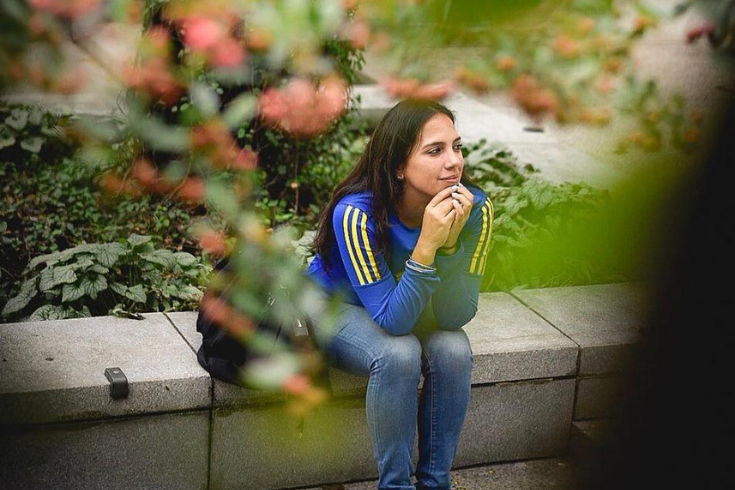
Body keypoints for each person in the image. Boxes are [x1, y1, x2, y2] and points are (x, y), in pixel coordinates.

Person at [306, 98, 494, 490]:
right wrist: (427, 246)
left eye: (457, 147)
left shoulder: (475, 211)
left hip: (406, 304)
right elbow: (393, 322)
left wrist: (449, 247)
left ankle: (436, 483)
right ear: (398, 166)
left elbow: (455, 314)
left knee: (454, 350)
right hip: (336, 307)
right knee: (398, 354)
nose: (454, 162)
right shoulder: (357, 214)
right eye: (435, 151)